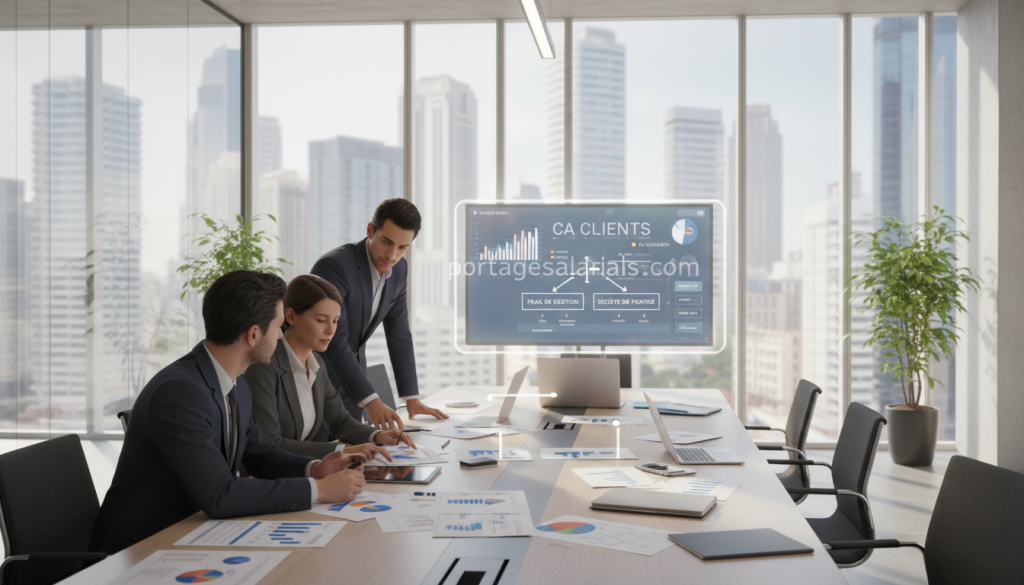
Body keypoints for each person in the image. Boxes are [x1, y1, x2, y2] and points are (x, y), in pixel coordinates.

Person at [89, 271, 366, 555]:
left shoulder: (236, 383)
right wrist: (319, 490)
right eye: (278, 326)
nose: (281, 335)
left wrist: (315, 469)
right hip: (137, 550)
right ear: (253, 334)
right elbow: (220, 494)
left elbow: (262, 454)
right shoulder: (179, 392)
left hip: (193, 534)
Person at [311, 198, 449, 430]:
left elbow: (399, 332)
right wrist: (371, 400)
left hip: (353, 383)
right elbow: (334, 338)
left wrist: (411, 398)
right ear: (370, 230)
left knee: (356, 449)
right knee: (322, 451)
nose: (392, 255)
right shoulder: (334, 267)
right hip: (318, 379)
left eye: (402, 247)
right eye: (387, 241)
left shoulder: (399, 269)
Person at [246, 274, 417, 459]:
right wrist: (340, 451)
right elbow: (271, 443)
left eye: (335, 321)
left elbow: (339, 422)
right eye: (321, 320)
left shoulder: (317, 364)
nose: (331, 330)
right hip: (268, 474)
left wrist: (377, 435)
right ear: (291, 316)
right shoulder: (264, 366)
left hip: (299, 469)